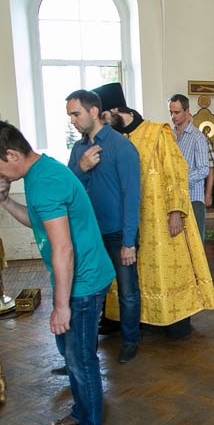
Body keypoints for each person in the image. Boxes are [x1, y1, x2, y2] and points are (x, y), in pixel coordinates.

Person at [0, 121, 115, 425]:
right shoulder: (38, 173)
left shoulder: (45, 182)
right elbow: (38, 222)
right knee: (71, 353)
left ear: (12, 155)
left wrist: (61, 306)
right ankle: (81, 412)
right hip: (77, 278)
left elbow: (63, 248)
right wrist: (5, 202)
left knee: (80, 358)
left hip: (83, 281)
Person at [91, 83, 214, 338]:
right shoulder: (111, 138)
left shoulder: (157, 133)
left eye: (103, 117)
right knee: (130, 270)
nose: (102, 124)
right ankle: (130, 318)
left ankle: (171, 318)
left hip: (159, 218)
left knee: (163, 269)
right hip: (126, 220)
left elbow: (176, 172)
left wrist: (175, 212)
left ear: (115, 110)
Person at [66, 89, 141, 364]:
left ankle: (130, 341)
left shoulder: (122, 146)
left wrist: (129, 242)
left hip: (119, 234)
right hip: (89, 234)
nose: (72, 121)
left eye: (76, 114)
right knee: (87, 294)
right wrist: (81, 168)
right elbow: (69, 190)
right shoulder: (78, 150)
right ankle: (85, 352)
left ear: (94, 111)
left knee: (127, 292)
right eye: (70, 116)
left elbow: (132, 197)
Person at [169, 94, 210, 241]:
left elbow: (204, 169)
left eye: (177, 112)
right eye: (171, 112)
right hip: (173, 199)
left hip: (193, 198)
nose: (173, 116)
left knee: (195, 243)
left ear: (187, 111)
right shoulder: (169, 136)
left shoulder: (198, 137)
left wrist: (181, 180)